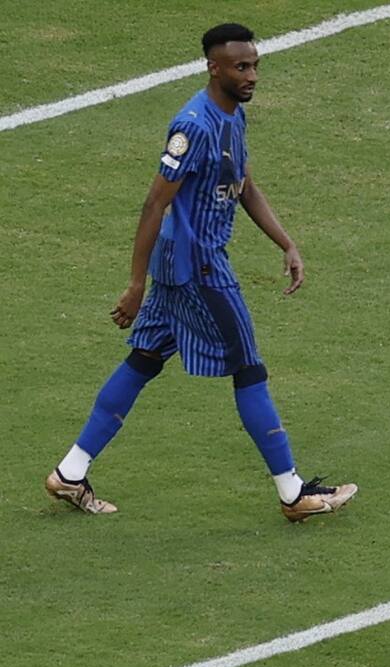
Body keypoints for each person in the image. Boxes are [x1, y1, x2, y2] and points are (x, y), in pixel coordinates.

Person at [44, 23, 356, 523]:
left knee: (144, 359)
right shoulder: (194, 126)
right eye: (241, 67)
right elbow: (153, 204)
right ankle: (293, 493)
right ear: (214, 67)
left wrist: (287, 242)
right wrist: (134, 285)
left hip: (184, 265)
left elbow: (245, 186)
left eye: (254, 65)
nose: (252, 75)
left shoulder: (233, 119)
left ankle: (71, 472)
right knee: (249, 369)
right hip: (199, 268)